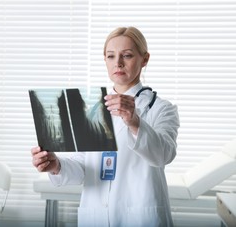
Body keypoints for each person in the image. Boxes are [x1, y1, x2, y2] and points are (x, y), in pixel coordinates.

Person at [31, 27, 180, 227]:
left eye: (126, 55)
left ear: (144, 59)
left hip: (141, 216)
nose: (117, 63)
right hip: (96, 215)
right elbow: (84, 166)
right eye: (111, 56)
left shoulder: (161, 109)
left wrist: (134, 121)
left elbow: (164, 155)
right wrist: (57, 165)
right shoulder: (91, 108)